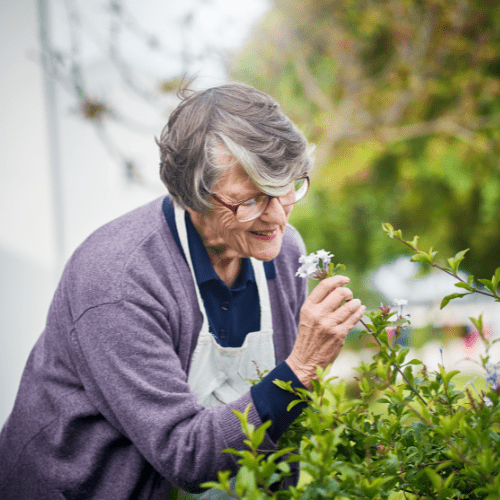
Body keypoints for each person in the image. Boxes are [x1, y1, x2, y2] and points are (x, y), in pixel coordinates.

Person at [0, 83, 365, 499]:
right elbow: (185, 455)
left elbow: (277, 425)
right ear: (191, 197)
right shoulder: (119, 282)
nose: (278, 217)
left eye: (288, 186)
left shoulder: (283, 255)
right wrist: (301, 368)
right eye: (251, 200)